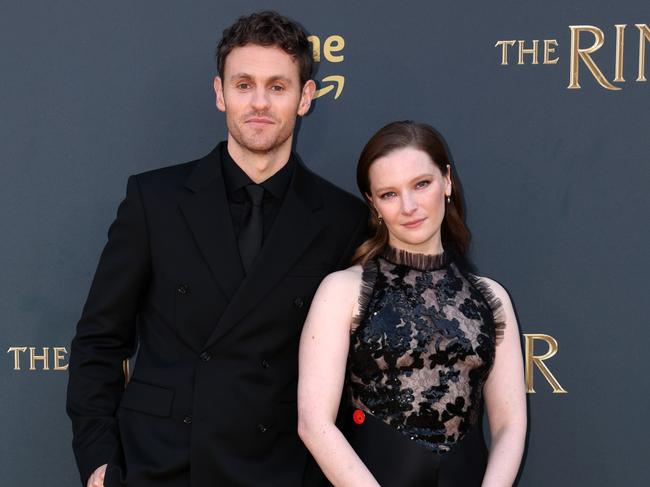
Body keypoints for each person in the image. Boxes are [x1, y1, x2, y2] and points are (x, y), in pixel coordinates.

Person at [66, 11, 368, 487]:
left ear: (305, 98)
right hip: (162, 464)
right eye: (244, 84)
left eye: (278, 86)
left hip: (282, 467)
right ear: (219, 92)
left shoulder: (342, 219)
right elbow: (99, 342)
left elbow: (355, 371)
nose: (259, 103)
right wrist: (99, 464)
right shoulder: (155, 200)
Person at [297, 121, 527, 486]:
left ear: (447, 181)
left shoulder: (489, 298)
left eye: (421, 184)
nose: (409, 206)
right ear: (373, 204)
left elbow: (510, 424)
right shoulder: (342, 291)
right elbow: (314, 422)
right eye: (389, 194)